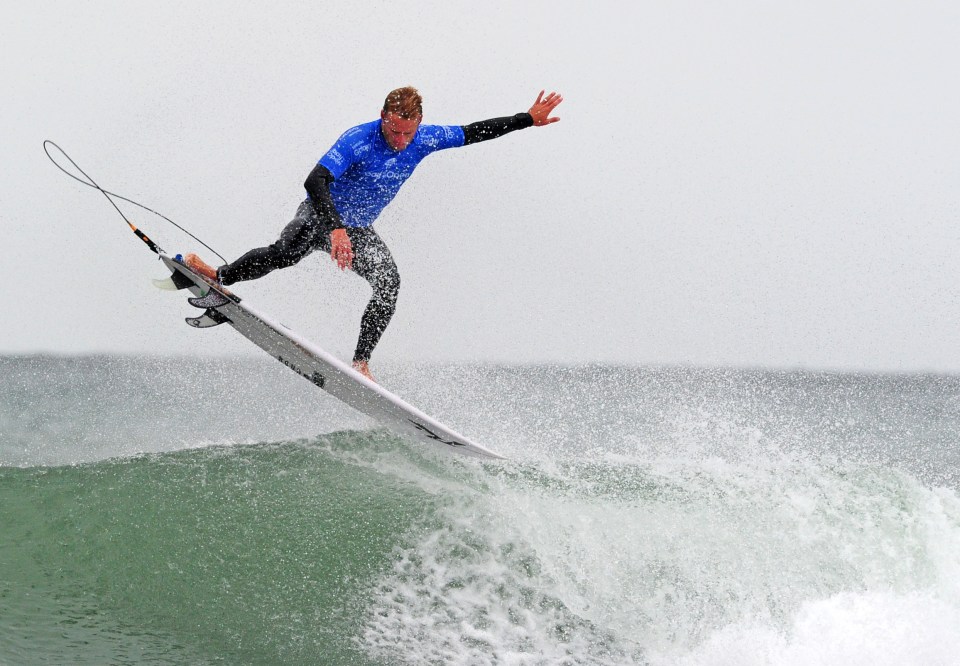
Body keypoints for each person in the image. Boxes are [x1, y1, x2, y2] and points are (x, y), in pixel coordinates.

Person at [186, 86, 563, 382]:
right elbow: (315, 180)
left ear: (419, 124)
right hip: (322, 214)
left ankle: (361, 363)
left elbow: (473, 132)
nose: (399, 140)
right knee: (285, 252)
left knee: (389, 283)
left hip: (359, 229)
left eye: (407, 133)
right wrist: (335, 230)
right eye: (394, 130)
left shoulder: (425, 138)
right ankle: (218, 277)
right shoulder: (358, 139)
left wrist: (526, 119)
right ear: (382, 116)